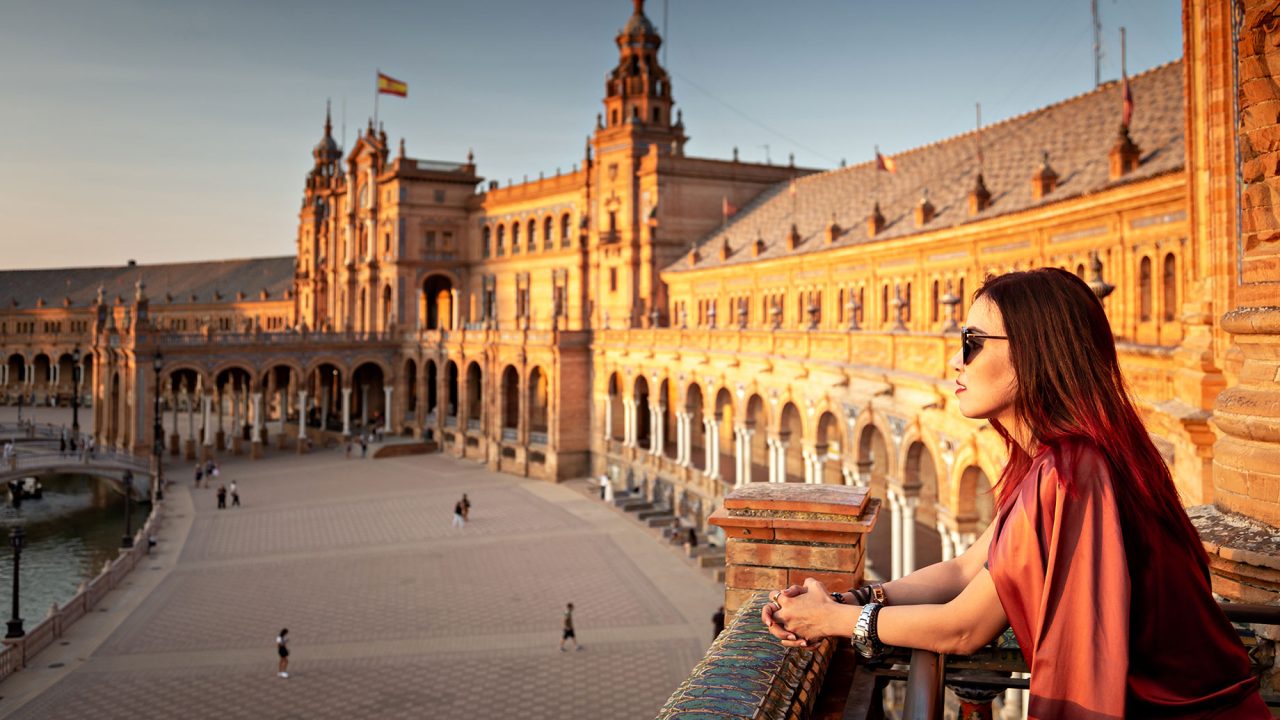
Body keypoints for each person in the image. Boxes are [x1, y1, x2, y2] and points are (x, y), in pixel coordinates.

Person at [761, 269, 1266, 719]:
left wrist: (835, 620)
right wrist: (855, 596)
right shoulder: (1052, 462)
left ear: (1035, 350)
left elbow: (964, 627)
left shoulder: (1074, 471)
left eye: (972, 341)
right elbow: (963, 570)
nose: (957, 361)